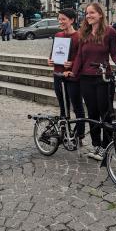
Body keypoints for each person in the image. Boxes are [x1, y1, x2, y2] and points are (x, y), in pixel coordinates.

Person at [66, 3, 116, 161]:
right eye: (86, 13)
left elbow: (114, 53)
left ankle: (106, 146)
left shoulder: (110, 32)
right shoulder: (83, 32)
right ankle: (96, 144)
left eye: (92, 12)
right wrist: (73, 73)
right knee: (92, 114)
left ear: (100, 14)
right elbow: (79, 56)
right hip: (86, 78)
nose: (88, 15)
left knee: (106, 114)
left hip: (103, 78)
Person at [47, 9, 85, 143]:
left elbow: (83, 58)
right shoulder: (58, 35)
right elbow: (53, 53)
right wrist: (50, 60)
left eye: (63, 19)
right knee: (63, 106)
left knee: (77, 107)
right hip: (58, 74)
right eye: (59, 19)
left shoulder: (79, 37)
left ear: (72, 20)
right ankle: (64, 133)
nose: (60, 22)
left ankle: (79, 136)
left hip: (72, 77)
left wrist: (72, 63)